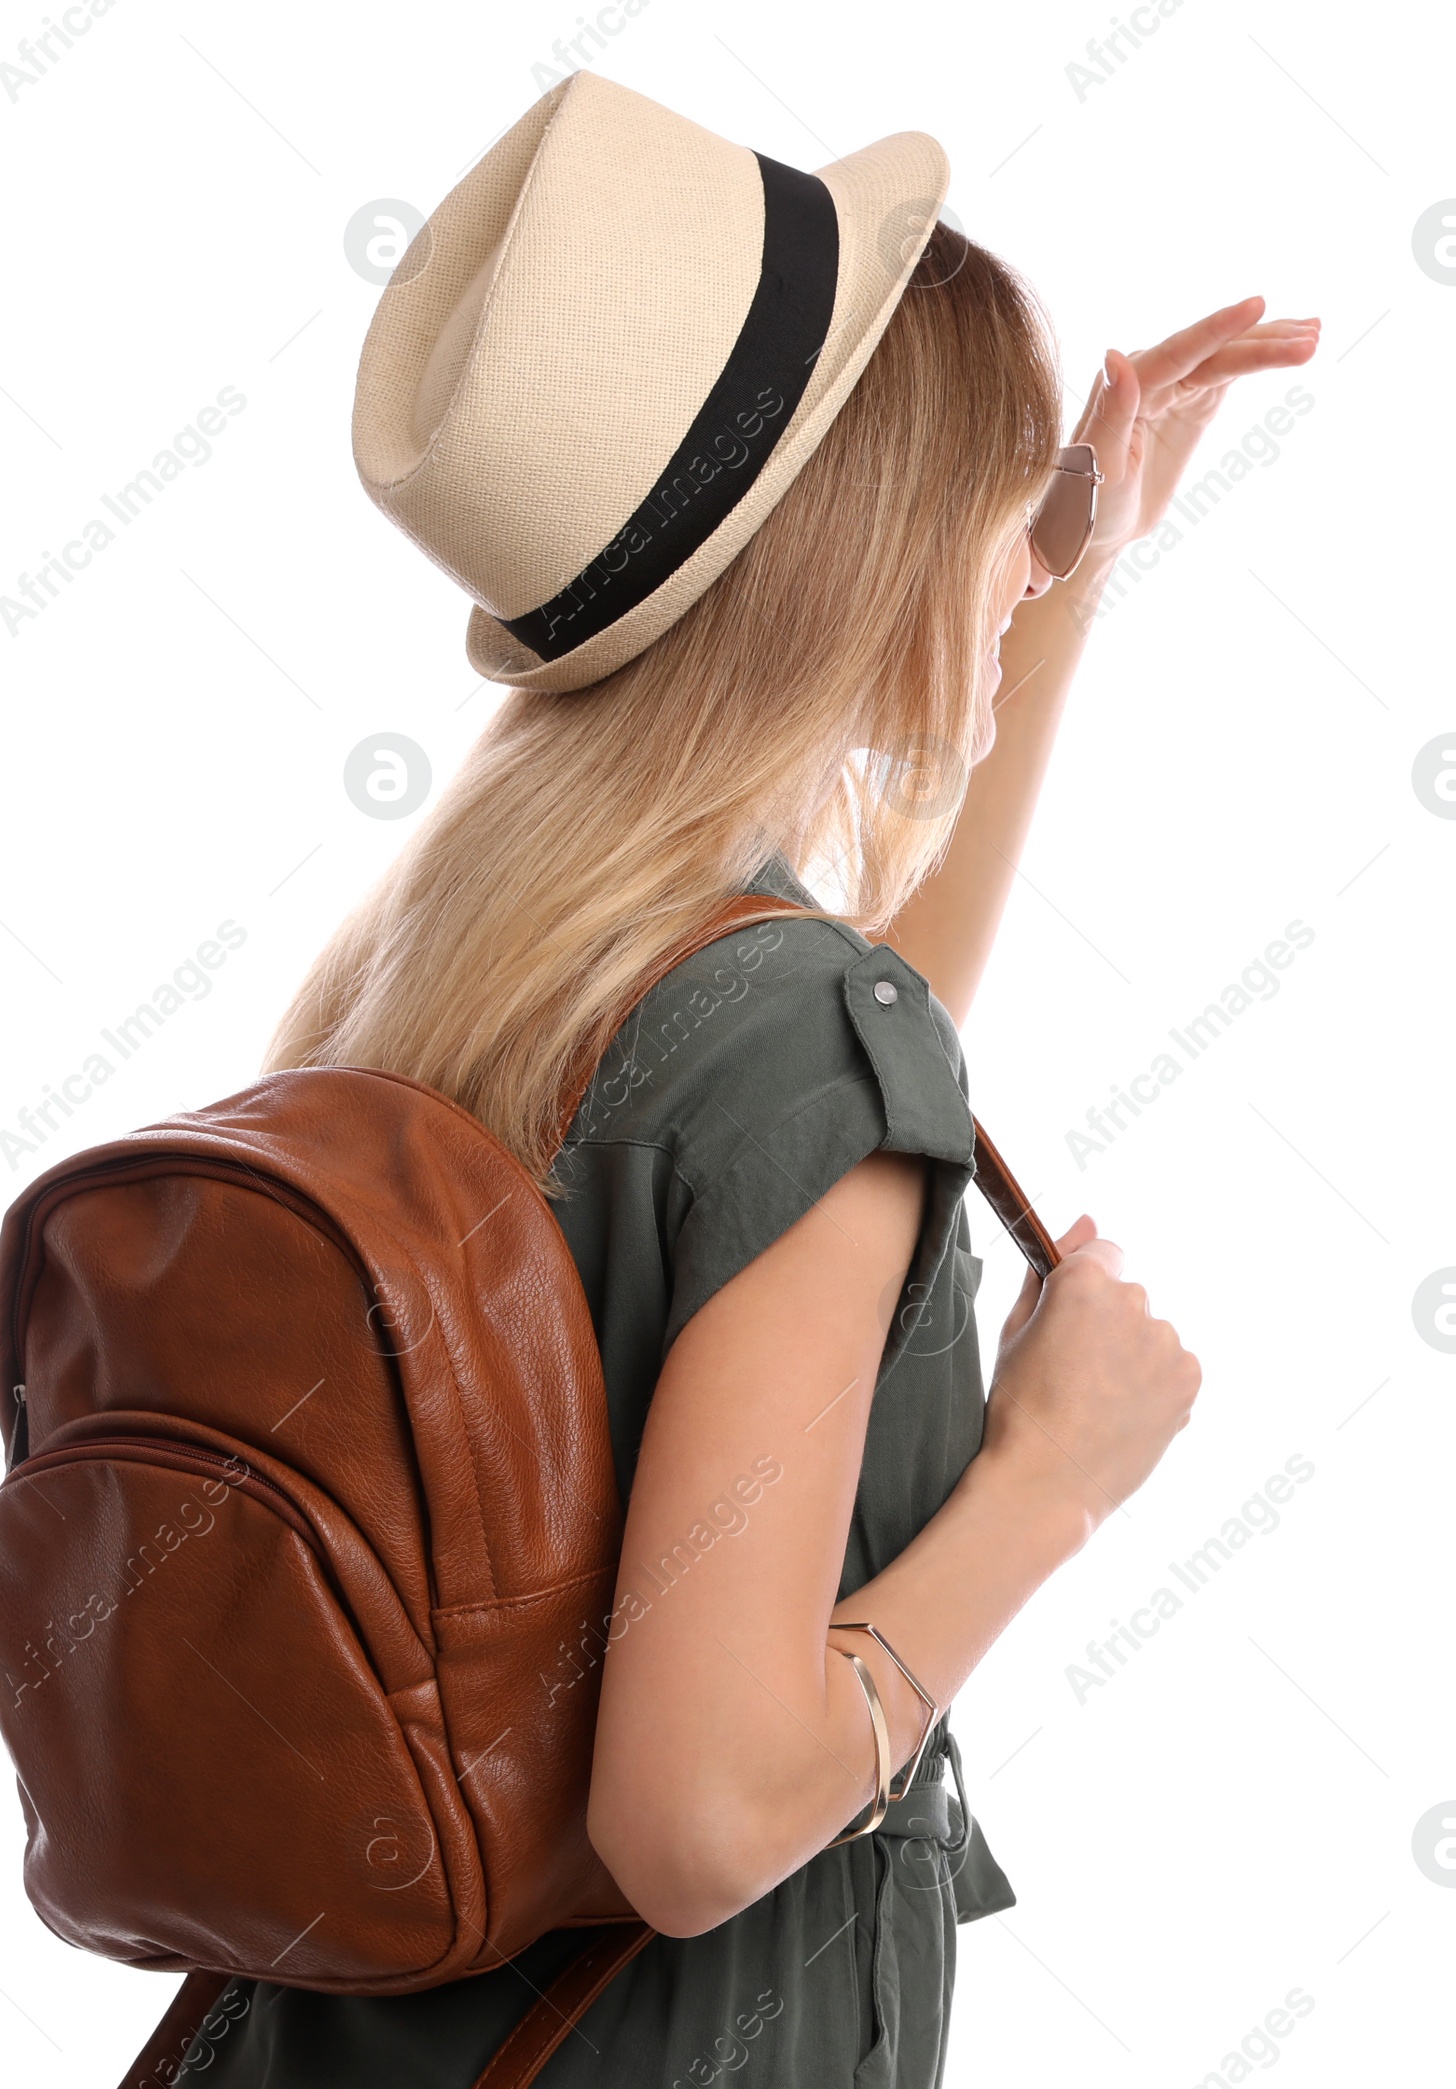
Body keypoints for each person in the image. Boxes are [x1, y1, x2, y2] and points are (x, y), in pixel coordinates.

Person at [198, 70, 1318, 2089]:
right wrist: (1043, 1481)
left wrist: (1055, 581)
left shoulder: (428, 961)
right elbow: (697, 1819)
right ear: (877, 546)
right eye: (989, 517)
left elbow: (842, 1048)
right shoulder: (787, 1038)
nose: (1012, 564)